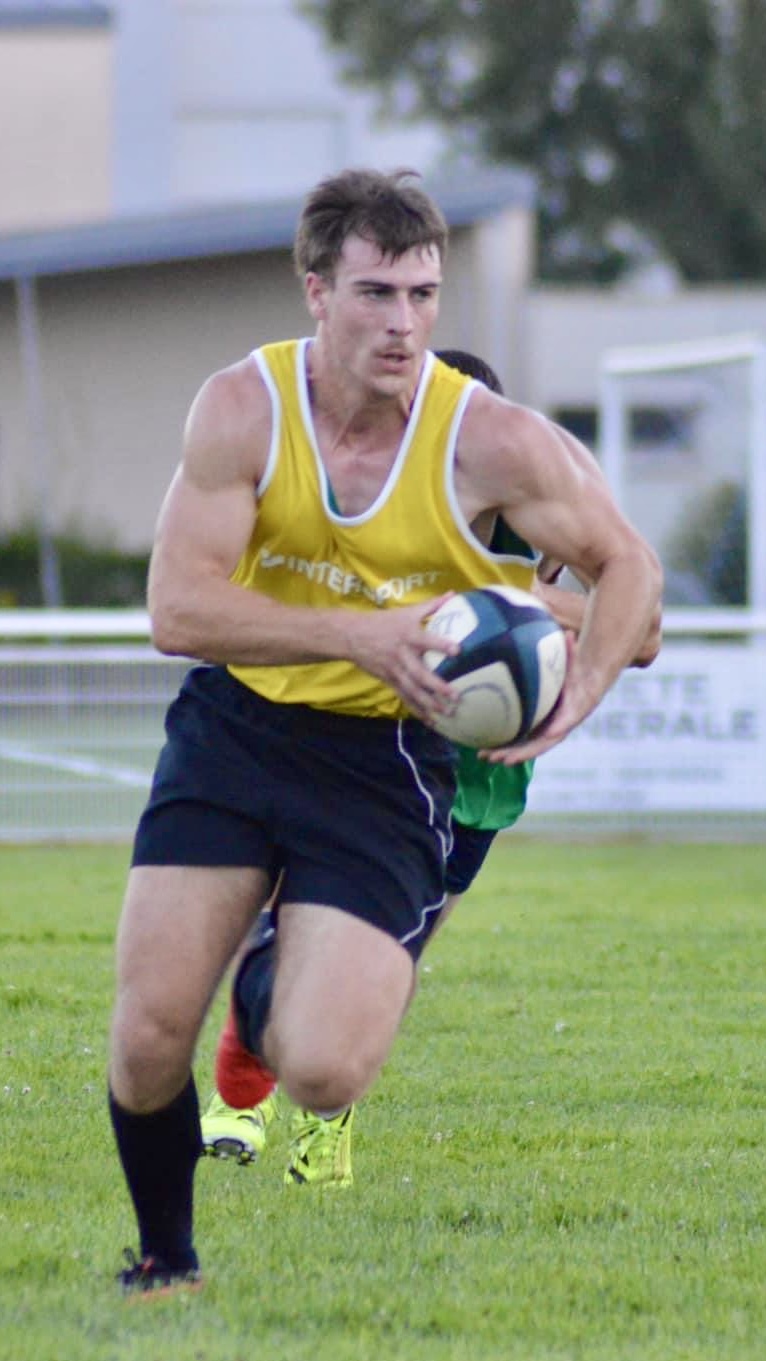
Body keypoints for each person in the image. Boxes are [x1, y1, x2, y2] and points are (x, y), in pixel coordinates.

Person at [109, 168, 662, 1294]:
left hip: (384, 763)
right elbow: (178, 609)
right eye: (375, 293)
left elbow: (630, 569)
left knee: (321, 1069)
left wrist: (583, 693)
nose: (403, 322)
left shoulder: (489, 438)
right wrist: (359, 634)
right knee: (149, 1036)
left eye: (422, 293)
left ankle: (264, 983)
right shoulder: (242, 407)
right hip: (237, 728)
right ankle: (166, 1262)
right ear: (315, 291)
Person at [197, 347, 660, 1185]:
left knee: (392, 966)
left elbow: (646, 632)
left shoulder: (538, 517)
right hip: (378, 756)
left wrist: (510, 603)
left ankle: (327, 1122)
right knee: (301, 928)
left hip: (484, 780)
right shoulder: (376, 514)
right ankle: (239, 1101)